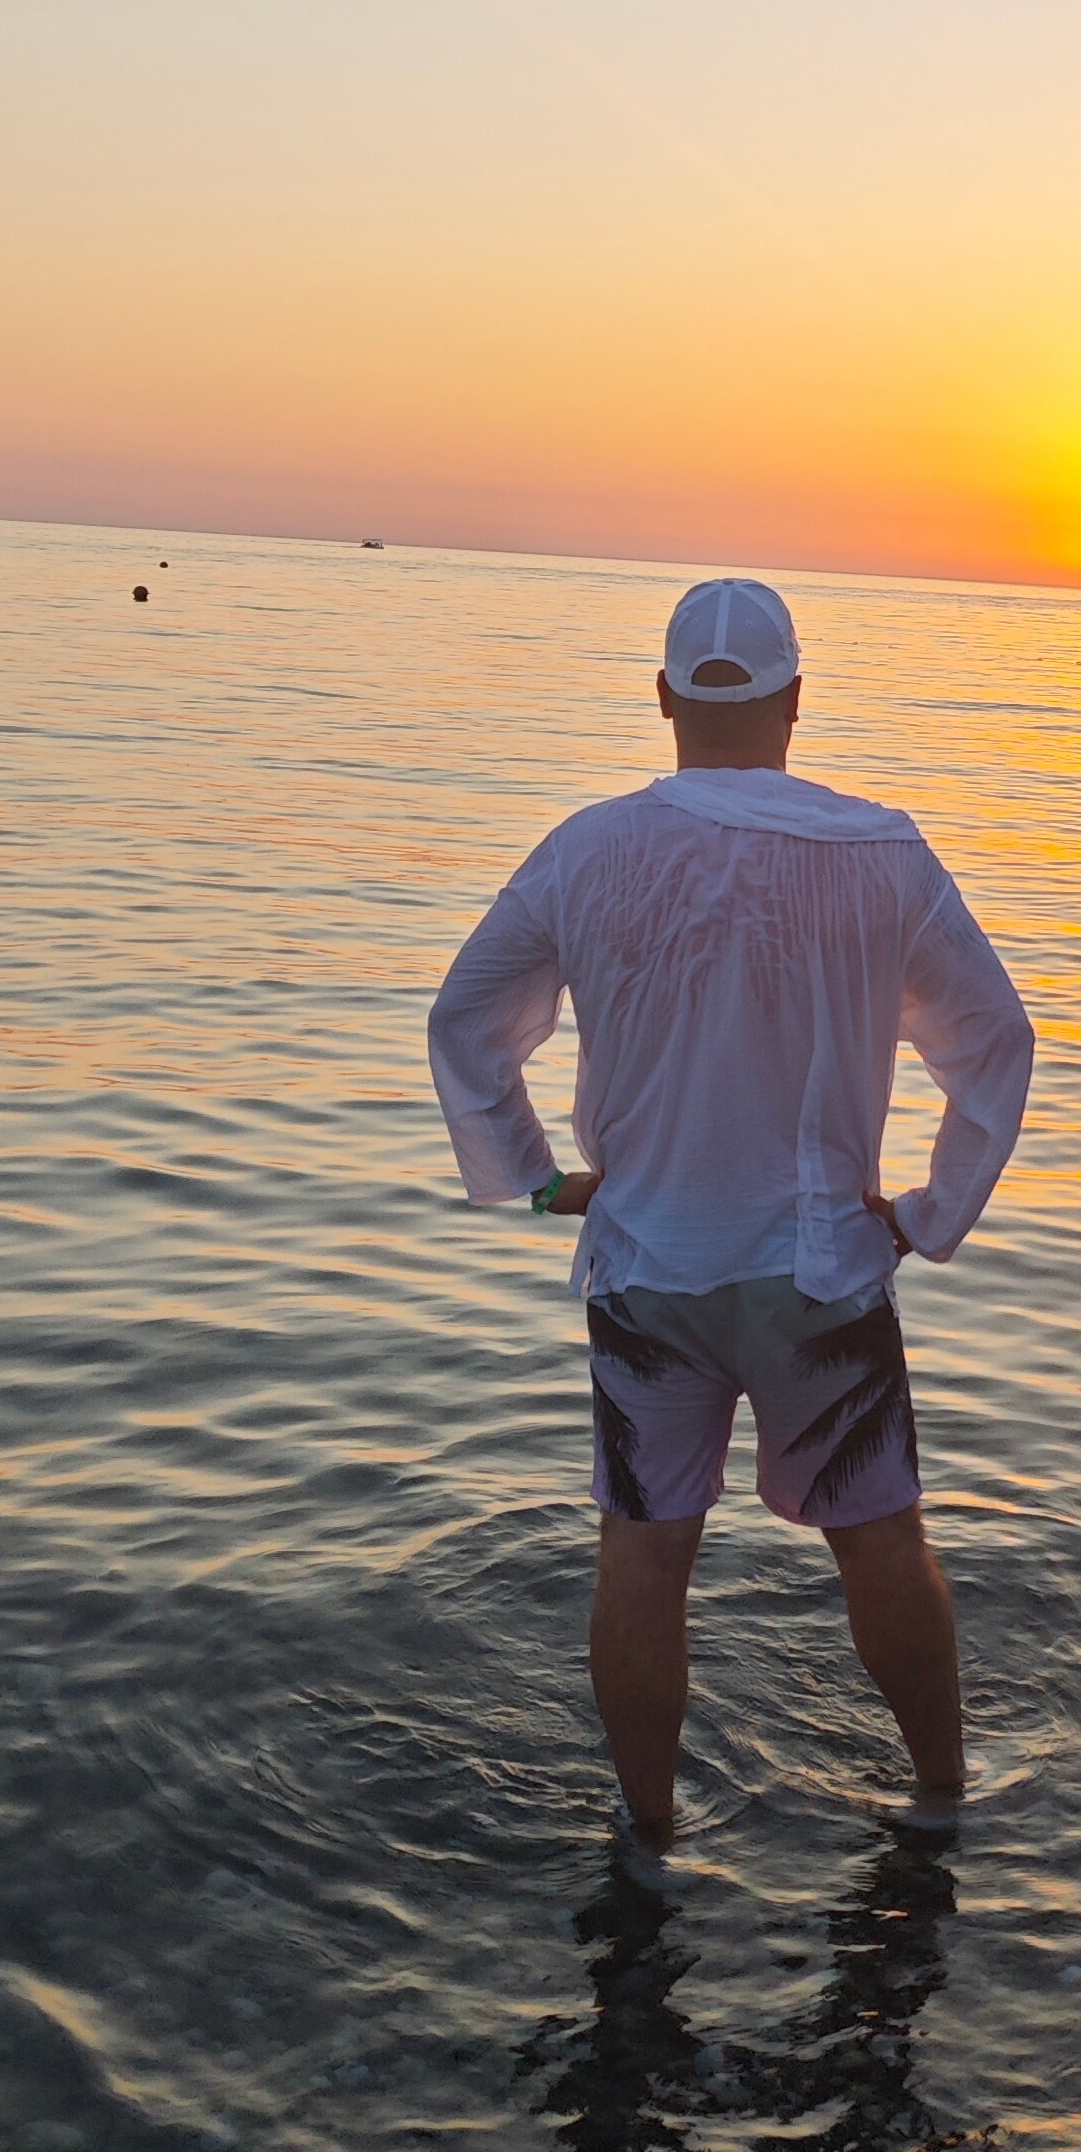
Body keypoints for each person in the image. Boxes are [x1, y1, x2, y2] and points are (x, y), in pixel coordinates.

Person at [427, 577, 1034, 1840]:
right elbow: (996, 1042)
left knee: (645, 1554)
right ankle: (941, 1805)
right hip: (821, 1272)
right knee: (881, 1540)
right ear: (796, 699)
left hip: (649, 1266)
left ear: (662, 697)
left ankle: (649, 1841)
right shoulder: (883, 851)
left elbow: (466, 1022)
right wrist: (928, 1213)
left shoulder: (586, 850)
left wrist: (533, 1178)